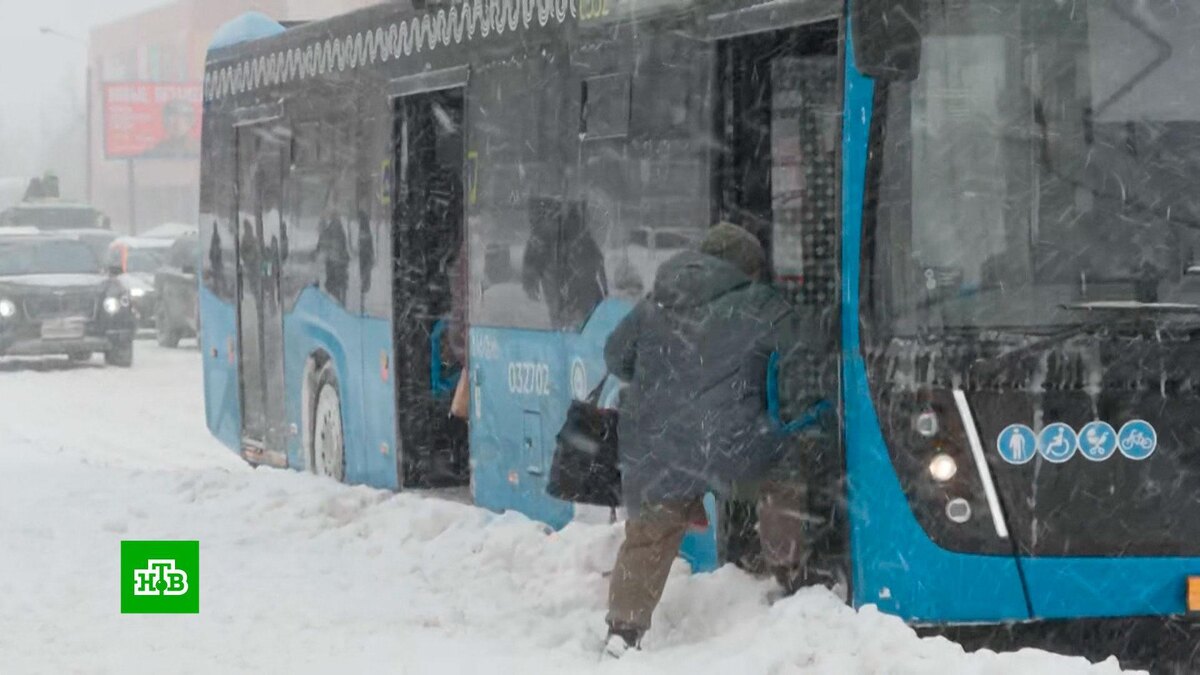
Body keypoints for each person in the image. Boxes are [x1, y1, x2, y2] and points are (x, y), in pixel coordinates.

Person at [601, 222, 831, 656]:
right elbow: (803, 360)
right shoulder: (764, 304)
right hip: (738, 443)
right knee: (782, 478)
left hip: (661, 444)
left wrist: (662, 382)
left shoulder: (656, 301)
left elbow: (616, 356)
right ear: (747, 266)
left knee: (650, 533)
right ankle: (791, 583)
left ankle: (623, 630)